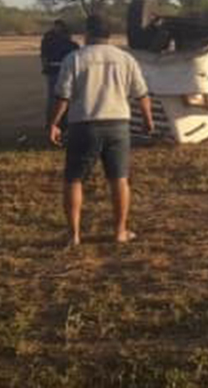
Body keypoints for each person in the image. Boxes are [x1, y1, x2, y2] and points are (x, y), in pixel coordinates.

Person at [48, 15, 153, 247]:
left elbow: (62, 97)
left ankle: (73, 234)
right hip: (118, 124)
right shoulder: (126, 59)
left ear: (86, 34)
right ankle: (120, 231)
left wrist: (54, 123)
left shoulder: (74, 59)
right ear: (110, 36)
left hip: (83, 124)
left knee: (74, 179)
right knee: (119, 179)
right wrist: (148, 120)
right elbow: (141, 94)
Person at [40, 19, 79, 129]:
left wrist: (45, 67)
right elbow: (44, 55)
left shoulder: (49, 39)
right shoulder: (50, 39)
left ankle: (55, 123)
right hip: (55, 70)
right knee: (60, 97)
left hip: (56, 70)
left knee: (57, 97)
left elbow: (44, 56)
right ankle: (57, 123)